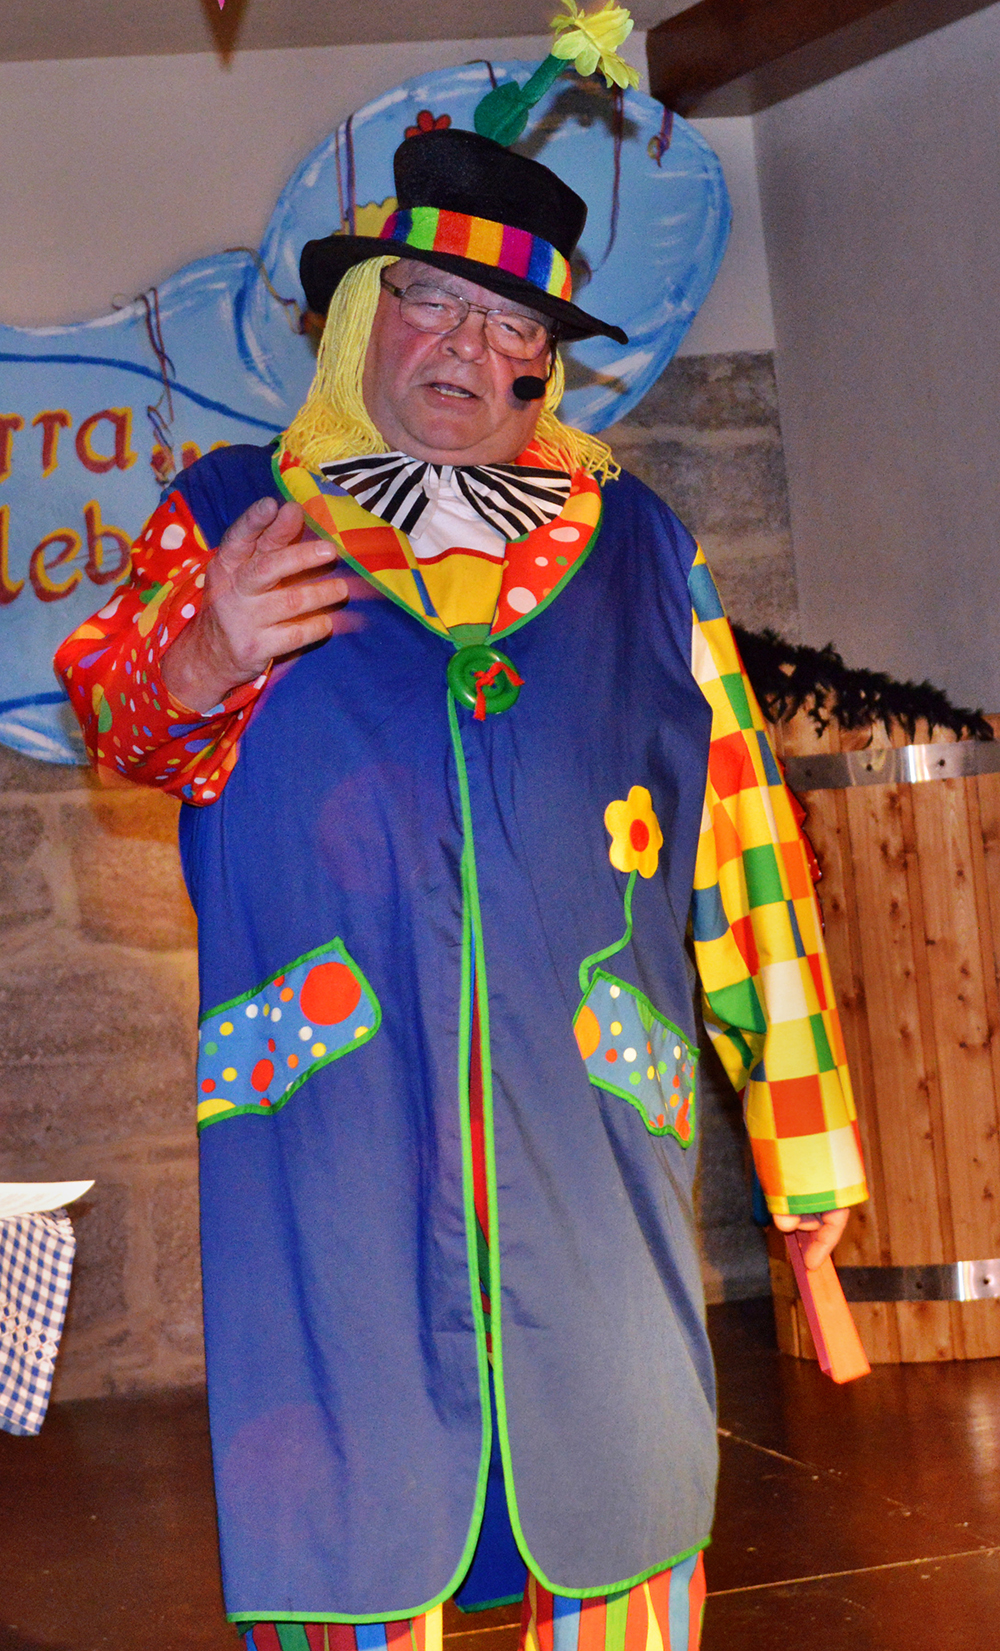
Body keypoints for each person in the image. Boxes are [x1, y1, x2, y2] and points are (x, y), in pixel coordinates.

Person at [56, 122, 865, 1651]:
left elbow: (743, 853)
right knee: (346, 1517)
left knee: (620, 1498)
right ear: (365, 316)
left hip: (590, 1143)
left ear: (543, 369)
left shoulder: (643, 552)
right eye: (432, 299)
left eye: (511, 325)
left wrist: (807, 1158)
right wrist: (210, 648)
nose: (466, 346)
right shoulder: (236, 513)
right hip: (334, 1147)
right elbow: (118, 711)